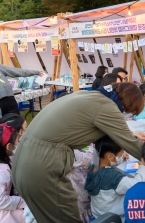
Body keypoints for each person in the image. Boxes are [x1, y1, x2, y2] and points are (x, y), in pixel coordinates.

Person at [12, 82, 145, 222]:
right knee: (67, 216)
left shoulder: (90, 96)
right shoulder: (107, 106)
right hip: (43, 167)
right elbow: (133, 144)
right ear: (128, 105)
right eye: (131, 112)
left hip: (25, 163)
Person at [85, 136, 145, 222]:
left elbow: (106, 165)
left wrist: (118, 158)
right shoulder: (113, 177)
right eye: (120, 154)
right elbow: (137, 185)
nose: (122, 156)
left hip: (98, 215)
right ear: (109, 156)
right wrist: (142, 166)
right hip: (115, 218)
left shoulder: (94, 166)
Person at [57, 92, 93, 222]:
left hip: (76, 184)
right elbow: (83, 159)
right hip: (76, 190)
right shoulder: (59, 134)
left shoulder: (62, 125)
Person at [0, 122, 26, 223]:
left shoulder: (6, 159)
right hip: (6, 216)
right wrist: (21, 201)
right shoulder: (2, 173)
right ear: (9, 147)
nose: (19, 143)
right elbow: (1, 201)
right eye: (18, 141)